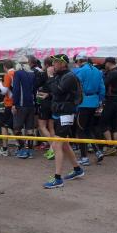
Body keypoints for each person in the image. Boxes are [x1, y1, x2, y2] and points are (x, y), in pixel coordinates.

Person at [43, 55, 84, 189]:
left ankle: (58, 178)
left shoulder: (69, 76)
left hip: (66, 113)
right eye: (53, 62)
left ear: (63, 64)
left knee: (57, 145)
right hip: (60, 112)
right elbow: (56, 92)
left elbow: (58, 90)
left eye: (56, 62)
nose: (53, 64)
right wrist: (49, 94)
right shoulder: (61, 75)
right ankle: (77, 169)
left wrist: (50, 76)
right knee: (64, 144)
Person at [72, 55, 105, 166]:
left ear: (79, 61)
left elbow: (75, 87)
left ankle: (84, 157)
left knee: (81, 130)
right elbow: (102, 88)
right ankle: (98, 151)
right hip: (94, 102)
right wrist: (99, 101)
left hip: (83, 103)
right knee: (88, 129)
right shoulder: (97, 71)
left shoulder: (80, 71)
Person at [12, 57, 37, 159]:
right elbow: (34, 90)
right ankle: (30, 151)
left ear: (18, 64)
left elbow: (16, 89)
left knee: (17, 128)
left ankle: (22, 149)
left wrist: (14, 104)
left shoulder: (18, 73)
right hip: (31, 104)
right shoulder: (32, 74)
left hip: (21, 104)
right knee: (30, 129)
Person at [100, 57, 117, 156]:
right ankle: (115, 146)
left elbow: (104, 84)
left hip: (111, 100)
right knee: (115, 125)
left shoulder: (112, 73)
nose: (105, 65)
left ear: (109, 63)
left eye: (106, 63)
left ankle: (110, 146)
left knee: (103, 123)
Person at [35, 56, 56, 160]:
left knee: (42, 126)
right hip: (54, 102)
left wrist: (41, 72)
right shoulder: (56, 73)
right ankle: (52, 149)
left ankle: (53, 146)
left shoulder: (44, 74)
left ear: (46, 64)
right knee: (51, 127)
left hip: (45, 102)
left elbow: (36, 84)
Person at [0, 59, 16, 156]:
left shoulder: (8, 75)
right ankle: (20, 146)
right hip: (16, 103)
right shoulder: (16, 73)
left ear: (4, 67)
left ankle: (5, 149)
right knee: (13, 126)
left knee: (4, 126)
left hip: (9, 103)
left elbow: (4, 91)